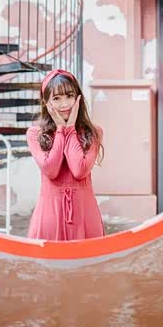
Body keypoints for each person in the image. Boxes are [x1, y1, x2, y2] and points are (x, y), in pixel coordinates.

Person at [26, 68, 105, 241]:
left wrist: (70, 129)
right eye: (56, 98)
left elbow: (79, 170)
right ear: (46, 102)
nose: (64, 104)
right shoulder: (35, 134)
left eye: (69, 96)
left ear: (78, 98)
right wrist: (61, 129)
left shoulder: (93, 133)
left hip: (85, 215)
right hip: (49, 215)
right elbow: (51, 170)